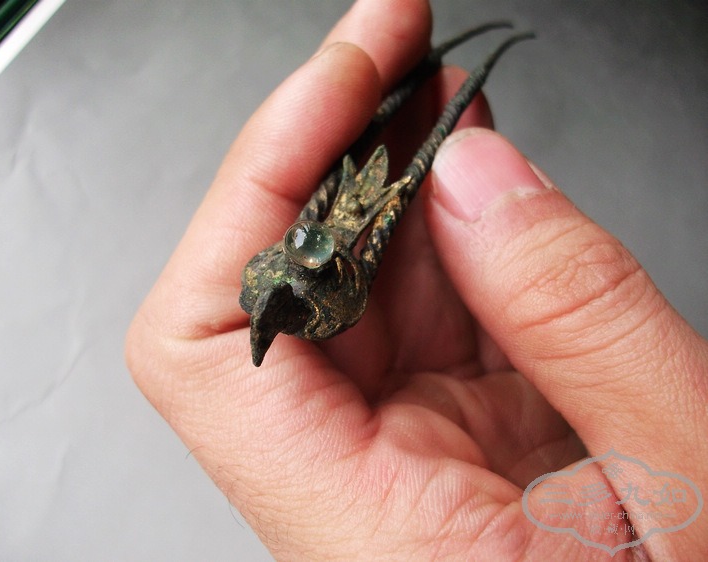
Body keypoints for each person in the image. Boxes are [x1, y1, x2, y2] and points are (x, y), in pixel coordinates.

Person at [125, 0, 707, 558]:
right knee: (405, 149)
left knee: (404, 142)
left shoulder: (318, 283)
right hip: (350, 253)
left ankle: (473, 61)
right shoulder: (291, 287)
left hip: (346, 247)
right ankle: (465, 69)